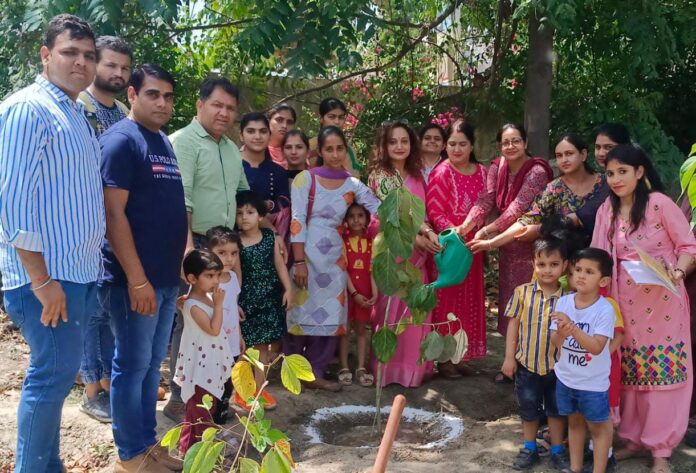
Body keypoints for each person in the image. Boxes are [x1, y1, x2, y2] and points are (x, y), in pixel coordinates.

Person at [0, 14, 104, 473]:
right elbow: (13, 203)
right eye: (69, 52)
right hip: (46, 276)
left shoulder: (74, 110)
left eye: (88, 55)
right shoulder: (28, 109)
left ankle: (47, 465)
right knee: (51, 378)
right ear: (45, 55)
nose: (80, 62)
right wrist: (41, 280)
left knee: (59, 377)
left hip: (74, 272)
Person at [100, 63, 187, 473]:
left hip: (167, 279)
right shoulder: (121, 141)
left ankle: (148, 445)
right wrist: (137, 279)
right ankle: (129, 455)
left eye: (168, 96)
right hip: (134, 282)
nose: (163, 103)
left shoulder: (163, 142)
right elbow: (113, 215)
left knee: (153, 367)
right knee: (131, 367)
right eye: (153, 94)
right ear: (132, 95)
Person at [591, 144, 696, 473]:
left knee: (664, 376)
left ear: (639, 172)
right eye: (610, 173)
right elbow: (598, 256)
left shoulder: (660, 205)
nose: (616, 179)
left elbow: (688, 246)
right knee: (629, 374)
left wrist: (678, 272)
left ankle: (661, 450)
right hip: (623, 306)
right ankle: (634, 439)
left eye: (623, 171)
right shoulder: (605, 212)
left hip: (664, 306)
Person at [165, 77, 249, 422]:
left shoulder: (230, 148)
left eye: (230, 108)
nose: (224, 112)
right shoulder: (182, 142)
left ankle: (211, 401)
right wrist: (188, 250)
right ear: (200, 105)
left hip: (223, 244)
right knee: (190, 325)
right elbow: (179, 200)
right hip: (195, 244)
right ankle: (179, 401)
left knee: (220, 325)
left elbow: (241, 195)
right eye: (217, 104)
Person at [286, 126, 380, 391]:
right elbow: (297, 220)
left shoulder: (352, 184)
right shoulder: (306, 179)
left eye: (340, 148)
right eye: (329, 149)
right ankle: (293, 372)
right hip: (306, 251)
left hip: (337, 259)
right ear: (320, 151)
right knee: (300, 311)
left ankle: (315, 372)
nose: (336, 154)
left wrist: (412, 224)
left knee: (330, 316)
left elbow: (377, 208)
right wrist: (300, 261)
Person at [75, 35, 132, 424]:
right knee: (90, 312)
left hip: (115, 224)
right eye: (110, 64)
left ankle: (109, 385)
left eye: (125, 68)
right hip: (85, 224)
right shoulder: (80, 107)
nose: (117, 72)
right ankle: (91, 389)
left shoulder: (124, 110)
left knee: (110, 309)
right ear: (95, 62)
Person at [368, 120, 441, 387]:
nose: (399, 146)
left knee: (413, 313)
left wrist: (428, 233)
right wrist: (419, 236)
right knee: (388, 311)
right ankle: (386, 372)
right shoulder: (380, 176)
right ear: (384, 146)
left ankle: (412, 372)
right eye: (392, 142)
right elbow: (397, 212)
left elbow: (421, 212)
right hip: (391, 249)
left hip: (416, 258)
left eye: (404, 141)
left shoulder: (419, 174)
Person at [465, 123, 553, 345]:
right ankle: (510, 362)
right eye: (506, 142)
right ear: (499, 146)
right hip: (507, 245)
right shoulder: (497, 167)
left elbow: (518, 207)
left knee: (531, 302)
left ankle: (529, 363)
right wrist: (466, 226)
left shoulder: (537, 171)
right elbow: (486, 199)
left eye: (516, 141)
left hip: (530, 242)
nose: (511, 146)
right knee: (509, 301)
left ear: (525, 143)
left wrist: (486, 230)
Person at [470, 134, 607, 252]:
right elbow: (528, 220)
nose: (564, 160)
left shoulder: (605, 184)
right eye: (559, 156)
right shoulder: (554, 188)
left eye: (569, 154)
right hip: (565, 263)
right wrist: (492, 243)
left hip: (603, 255)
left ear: (583, 154)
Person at [426, 121, 488, 378]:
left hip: (475, 247)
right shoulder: (441, 173)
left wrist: (474, 234)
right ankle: (444, 359)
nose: (457, 149)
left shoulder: (484, 173)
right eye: (452, 144)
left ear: (472, 145)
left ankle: (461, 355)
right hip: (450, 248)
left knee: (470, 300)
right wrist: (455, 235)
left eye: (462, 144)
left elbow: (487, 204)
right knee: (446, 300)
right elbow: (434, 211)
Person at [502, 237, 570, 471]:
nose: (547, 269)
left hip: (558, 367)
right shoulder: (522, 292)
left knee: (556, 410)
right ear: (533, 264)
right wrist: (509, 357)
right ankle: (529, 447)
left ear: (564, 266)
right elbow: (513, 325)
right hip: (527, 365)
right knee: (529, 408)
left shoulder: (569, 298)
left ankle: (557, 450)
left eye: (554, 264)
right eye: (541, 264)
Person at [550, 248, 616, 473]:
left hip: (592, 384)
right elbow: (556, 342)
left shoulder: (605, 309)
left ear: (603, 280)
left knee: (598, 428)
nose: (580, 275)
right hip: (566, 378)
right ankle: (575, 469)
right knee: (574, 424)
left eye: (589, 271)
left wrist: (571, 327)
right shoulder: (564, 303)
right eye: (577, 269)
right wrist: (562, 331)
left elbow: (597, 348)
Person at [235, 191, 293, 410]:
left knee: (262, 348)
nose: (244, 217)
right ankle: (243, 391)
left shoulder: (270, 238)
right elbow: (237, 276)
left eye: (250, 212)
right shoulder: (236, 243)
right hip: (248, 302)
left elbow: (280, 265)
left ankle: (259, 390)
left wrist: (288, 289)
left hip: (269, 299)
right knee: (243, 348)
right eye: (240, 213)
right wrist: (235, 302)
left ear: (261, 216)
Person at [174, 250, 233, 454]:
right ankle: (203, 453)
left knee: (202, 409)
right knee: (201, 411)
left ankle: (187, 449)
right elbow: (213, 329)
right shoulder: (193, 305)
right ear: (192, 278)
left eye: (217, 275)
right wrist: (218, 305)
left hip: (210, 364)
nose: (216, 281)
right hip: (200, 368)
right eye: (209, 276)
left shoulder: (203, 298)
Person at [205, 226, 245, 423]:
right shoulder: (206, 282)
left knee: (229, 377)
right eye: (222, 253)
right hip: (212, 340)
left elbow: (233, 304)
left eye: (233, 253)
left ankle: (222, 409)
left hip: (231, 340)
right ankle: (207, 414)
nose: (229, 259)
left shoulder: (233, 278)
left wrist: (239, 336)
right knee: (211, 377)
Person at [338, 203, 378, 387]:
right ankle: (344, 366)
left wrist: (375, 295)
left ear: (367, 220)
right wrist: (354, 293)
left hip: (366, 293)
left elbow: (372, 271)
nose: (356, 220)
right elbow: (343, 270)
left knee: (362, 330)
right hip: (347, 293)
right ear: (345, 220)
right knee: (345, 330)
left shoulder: (372, 243)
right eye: (351, 216)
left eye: (360, 216)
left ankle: (361, 367)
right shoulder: (343, 242)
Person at [240, 112, 291, 240]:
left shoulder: (278, 172)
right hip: (233, 240)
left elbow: (284, 206)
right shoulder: (231, 166)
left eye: (263, 131)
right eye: (251, 131)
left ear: (269, 135)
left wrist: (271, 206)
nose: (257, 136)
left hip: (269, 239)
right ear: (241, 136)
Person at [79, 35, 131, 136]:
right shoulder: (78, 105)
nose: (119, 74)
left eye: (125, 68)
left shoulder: (124, 111)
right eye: (111, 66)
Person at [309, 97, 360, 176]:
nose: (337, 122)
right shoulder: (309, 146)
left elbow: (355, 182)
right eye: (331, 117)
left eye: (341, 117)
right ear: (321, 118)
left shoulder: (350, 151)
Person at [266, 102, 297, 168]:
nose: (284, 126)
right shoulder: (257, 150)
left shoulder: (297, 153)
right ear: (268, 122)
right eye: (279, 120)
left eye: (289, 122)